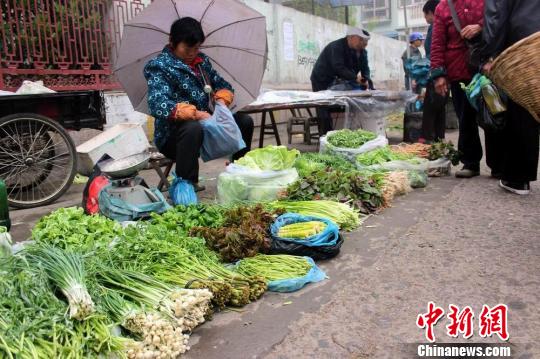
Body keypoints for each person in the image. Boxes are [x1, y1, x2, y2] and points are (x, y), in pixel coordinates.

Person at [144, 17, 254, 191]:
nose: (192, 53)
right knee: (192, 127)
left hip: (205, 126)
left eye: (196, 48)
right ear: (173, 42)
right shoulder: (159, 67)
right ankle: (187, 184)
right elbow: (158, 103)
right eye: (187, 48)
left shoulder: (202, 63)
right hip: (174, 136)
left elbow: (223, 85)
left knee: (244, 121)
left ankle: (239, 172)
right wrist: (195, 114)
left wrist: (222, 98)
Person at [480, 0, 540, 195]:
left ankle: (518, 178)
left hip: (525, 42)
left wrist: (491, 53)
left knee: (523, 106)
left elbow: (496, 14)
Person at [430, 0, 486, 178]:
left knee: (494, 114)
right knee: (466, 118)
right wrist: (438, 74)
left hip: (488, 66)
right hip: (459, 70)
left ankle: (499, 164)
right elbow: (437, 42)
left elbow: (499, 22)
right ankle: (470, 163)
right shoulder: (443, 7)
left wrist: (480, 27)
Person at [310, 28, 373, 135]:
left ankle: (346, 131)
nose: (364, 44)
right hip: (322, 79)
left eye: (366, 42)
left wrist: (365, 79)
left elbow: (365, 68)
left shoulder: (362, 52)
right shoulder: (336, 47)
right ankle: (325, 136)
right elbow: (338, 67)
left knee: (346, 104)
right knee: (323, 106)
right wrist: (355, 78)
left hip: (340, 81)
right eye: (361, 41)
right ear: (351, 38)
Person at [420, 0, 447, 143]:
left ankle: (427, 141)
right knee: (440, 106)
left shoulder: (435, 25)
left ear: (431, 12)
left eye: (425, 16)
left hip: (436, 73)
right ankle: (439, 138)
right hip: (444, 72)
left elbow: (434, 51)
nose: (426, 20)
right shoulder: (445, 22)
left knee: (430, 108)